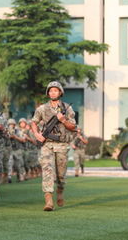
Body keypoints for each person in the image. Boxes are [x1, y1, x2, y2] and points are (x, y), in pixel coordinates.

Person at [31, 81, 76, 211]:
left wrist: (63, 120)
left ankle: (60, 190)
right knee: (47, 171)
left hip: (62, 145)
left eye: (55, 90)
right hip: (47, 145)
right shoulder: (42, 109)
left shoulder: (67, 108)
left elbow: (73, 127)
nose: (53, 93)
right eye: (50, 91)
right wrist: (37, 134)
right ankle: (49, 200)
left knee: (61, 175)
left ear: (60, 92)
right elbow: (34, 122)